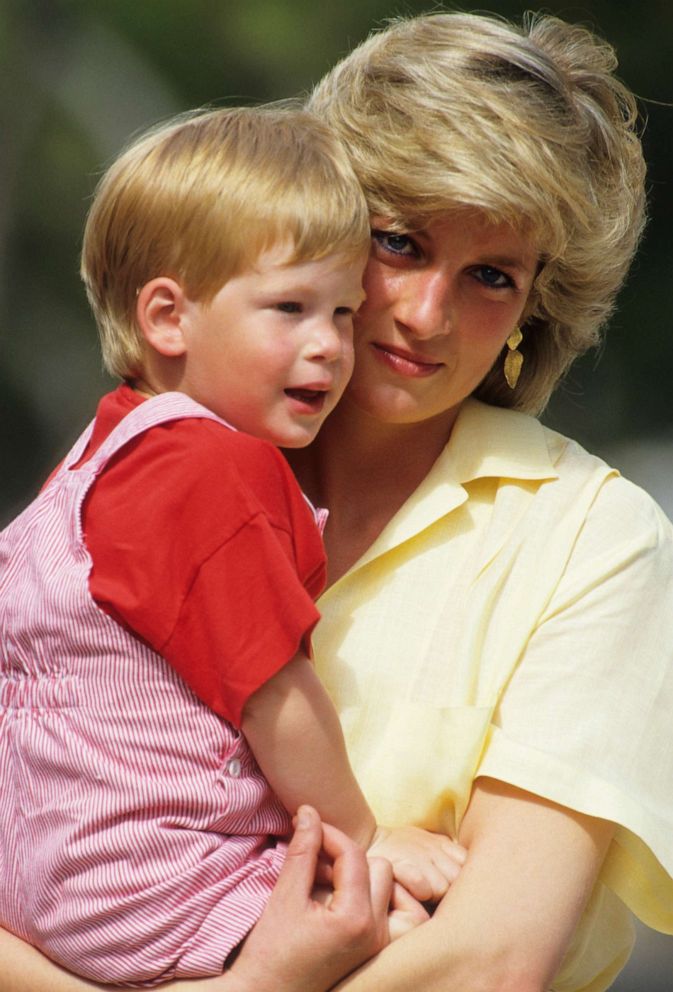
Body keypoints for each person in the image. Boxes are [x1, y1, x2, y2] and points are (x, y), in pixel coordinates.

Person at [2, 8, 673, 992]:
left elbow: (488, 961)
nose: (424, 312)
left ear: (537, 309)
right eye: (398, 241)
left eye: (491, 274)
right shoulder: (152, 462)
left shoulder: (593, 535)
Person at [0, 104, 460, 987]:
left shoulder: (94, 460)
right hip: (156, 889)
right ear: (168, 318)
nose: (329, 347)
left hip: (40, 888)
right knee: (411, 935)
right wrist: (367, 838)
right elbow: (272, 696)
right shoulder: (213, 469)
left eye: (343, 311)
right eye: (290, 308)